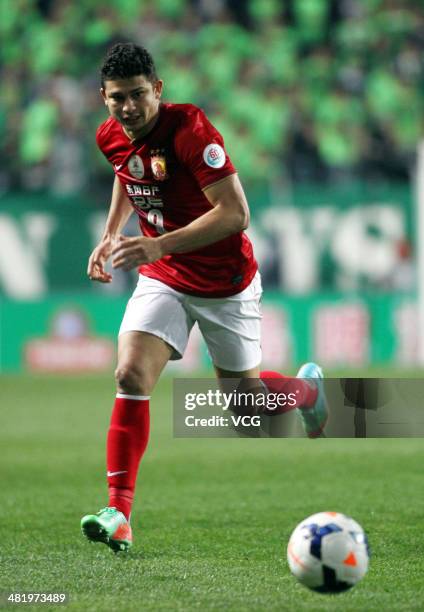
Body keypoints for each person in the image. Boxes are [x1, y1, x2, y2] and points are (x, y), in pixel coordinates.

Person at [80, 42, 328, 553]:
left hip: (223, 282)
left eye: (138, 95)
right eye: (117, 98)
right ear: (103, 98)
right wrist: (110, 233)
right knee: (129, 373)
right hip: (164, 274)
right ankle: (119, 512)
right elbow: (129, 175)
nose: (128, 108)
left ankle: (305, 392)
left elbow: (236, 213)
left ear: (159, 89)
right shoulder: (110, 135)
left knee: (247, 414)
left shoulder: (192, 130)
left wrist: (157, 243)